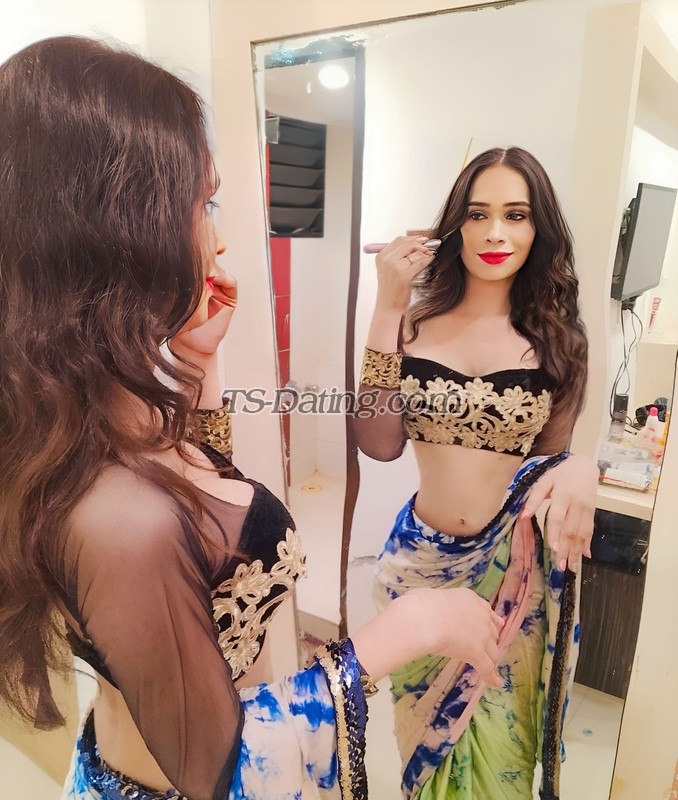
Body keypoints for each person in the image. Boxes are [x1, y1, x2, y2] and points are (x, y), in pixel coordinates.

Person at [0, 36, 508, 800]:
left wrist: (199, 366)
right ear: (113, 230)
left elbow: (205, 517)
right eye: (202, 204)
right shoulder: (117, 514)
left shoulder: (97, 422)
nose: (219, 236)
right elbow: (219, 769)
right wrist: (401, 632)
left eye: (515, 215)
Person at [354, 147, 600, 800]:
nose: (495, 233)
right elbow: (377, 442)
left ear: (538, 228)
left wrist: (583, 466)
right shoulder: (413, 324)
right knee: (426, 759)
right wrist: (387, 306)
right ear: (454, 226)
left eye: (515, 215)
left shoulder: (558, 341)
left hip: (508, 581)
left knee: (497, 764)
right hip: (418, 574)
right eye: (477, 214)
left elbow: (548, 465)